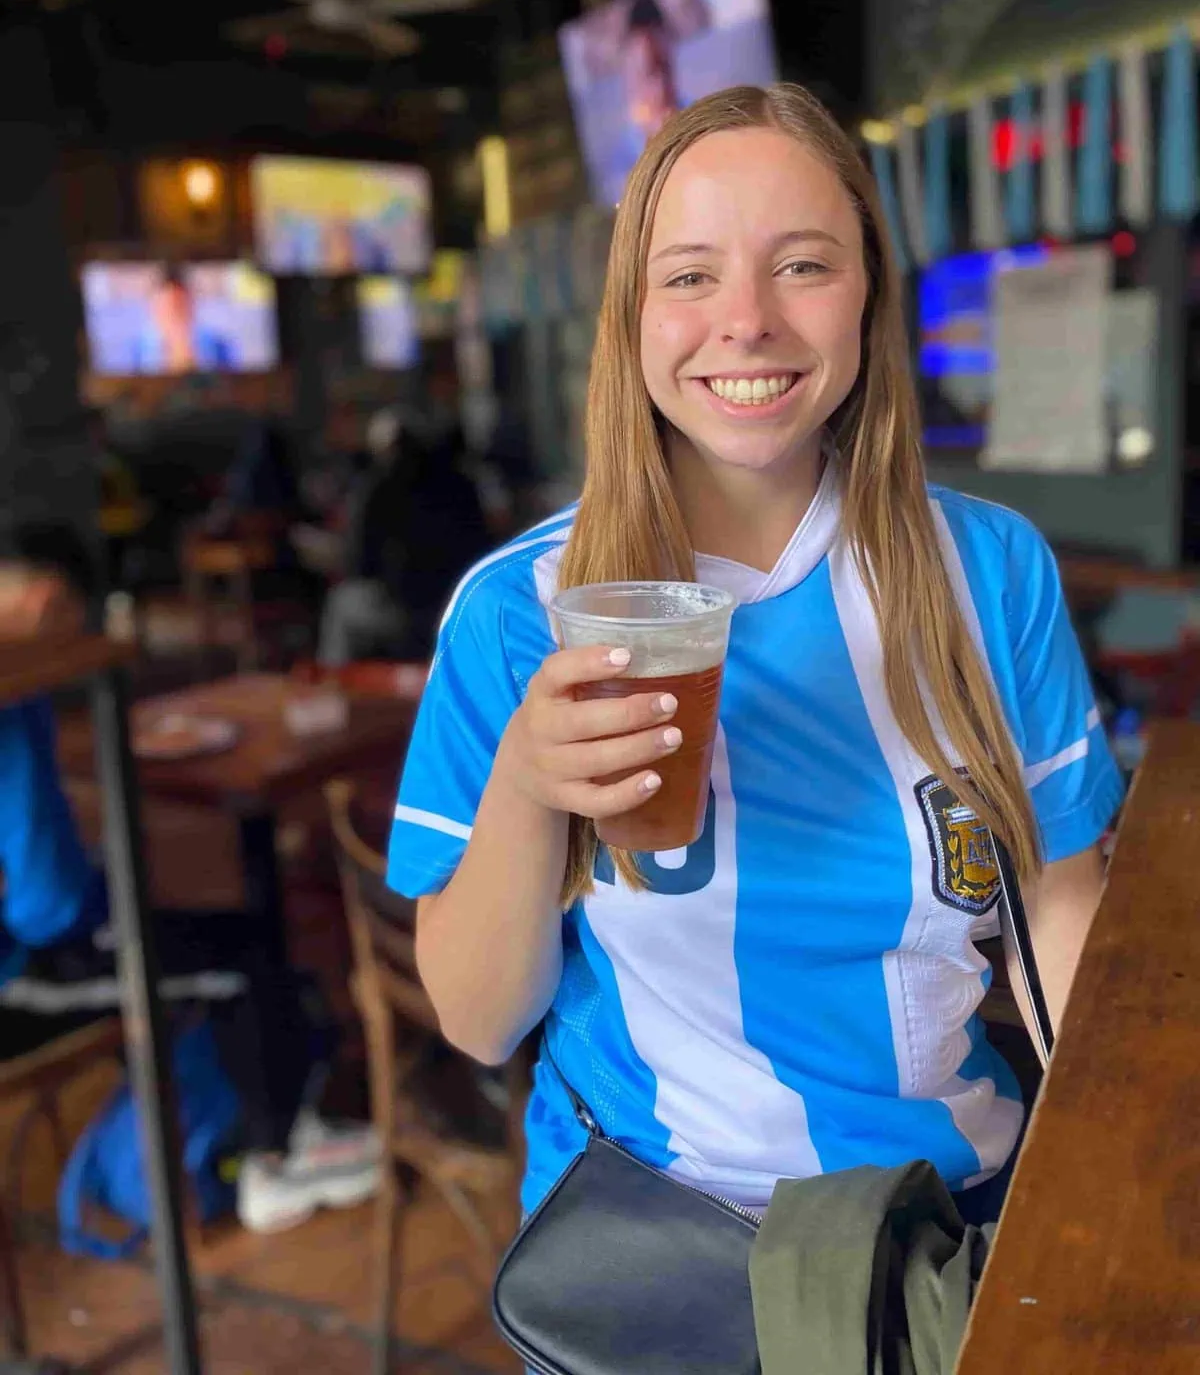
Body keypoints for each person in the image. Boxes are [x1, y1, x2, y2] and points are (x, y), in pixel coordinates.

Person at [387, 84, 1124, 1240]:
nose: (747, 321)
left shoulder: (990, 570)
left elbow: (1057, 906)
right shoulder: (519, 612)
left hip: (944, 1219)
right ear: (632, 314)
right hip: (658, 1245)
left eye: (804, 265)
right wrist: (529, 785)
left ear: (869, 292)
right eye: (690, 276)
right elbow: (480, 1022)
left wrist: (1120, 1153)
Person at [0, 530, 382, 1233]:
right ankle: (275, 1159)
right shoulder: (12, 685)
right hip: (18, 974)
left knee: (212, 930)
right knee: (238, 960)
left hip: (28, 937)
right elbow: (48, 906)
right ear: (47, 602)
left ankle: (250, 1117)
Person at [319, 406, 492, 666]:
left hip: (404, 617)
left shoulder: (377, 488)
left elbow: (360, 565)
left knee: (340, 603)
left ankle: (334, 684)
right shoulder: (463, 485)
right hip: (461, 608)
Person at [137, 269, 233, 374]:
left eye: (179, 305)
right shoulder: (137, 351)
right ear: (153, 308)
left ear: (192, 306)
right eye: (166, 306)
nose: (173, 313)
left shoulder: (218, 346)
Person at [623, 0, 679, 140]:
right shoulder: (630, 147)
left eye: (665, 69)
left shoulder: (695, 116)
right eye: (650, 73)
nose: (662, 86)